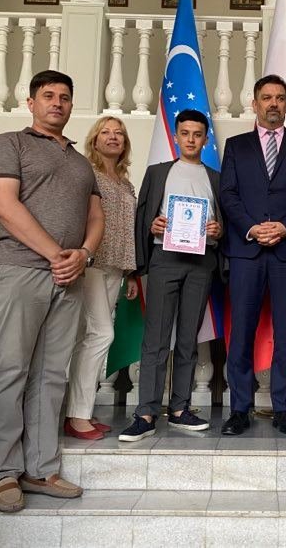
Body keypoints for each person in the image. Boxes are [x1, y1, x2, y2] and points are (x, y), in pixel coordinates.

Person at [0, 70, 104, 513]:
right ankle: (2, 472)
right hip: (20, 269)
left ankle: (41, 469)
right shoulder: (9, 144)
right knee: (10, 369)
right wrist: (56, 254)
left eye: (65, 97)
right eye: (48, 95)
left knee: (52, 375)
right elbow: (2, 204)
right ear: (31, 102)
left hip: (69, 277)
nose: (57, 102)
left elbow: (96, 218)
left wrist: (83, 255)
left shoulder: (81, 162)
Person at [220, 74, 286, 436]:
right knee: (242, 331)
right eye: (267, 97)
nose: (273, 103)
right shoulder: (236, 145)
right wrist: (251, 228)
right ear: (255, 103)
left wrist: (284, 227)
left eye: (280, 97)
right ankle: (239, 410)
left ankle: (283, 410)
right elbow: (228, 194)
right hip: (246, 249)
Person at [119, 109, 223, 442]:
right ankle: (145, 413)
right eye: (185, 133)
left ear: (205, 139)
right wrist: (152, 226)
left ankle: (180, 409)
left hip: (202, 262)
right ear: (176, 137)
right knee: (156, 338)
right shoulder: (158, 172)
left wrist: (218, 230)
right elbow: (143, 217)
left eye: (197, 134)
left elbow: (224, 222)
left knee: (188, 338)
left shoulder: (216, 178)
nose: (191, 139)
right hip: (165, 257)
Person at [65, 116, 138, 441]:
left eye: (118, 133)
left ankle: (81, 410)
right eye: (105, 132)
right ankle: (77, 416)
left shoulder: (125, 183)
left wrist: (131, 274)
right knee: (101, 335)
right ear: (94, 140)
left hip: (117, 266)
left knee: (90, 337)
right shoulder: (87, 174)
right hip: (92, 263)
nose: (113, 137)